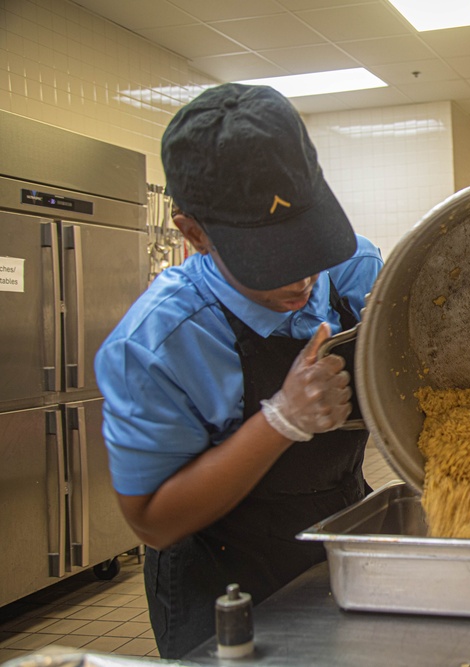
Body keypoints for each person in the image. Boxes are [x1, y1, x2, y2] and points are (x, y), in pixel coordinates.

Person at [95, 83, 384, 659]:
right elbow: (152, 521)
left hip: (339, 536)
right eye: (271, 262)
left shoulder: (354, 265)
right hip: (224, 577)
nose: (302, 281)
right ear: (194, 232)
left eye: (309, 246)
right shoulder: (159, 344)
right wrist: (282, 419)